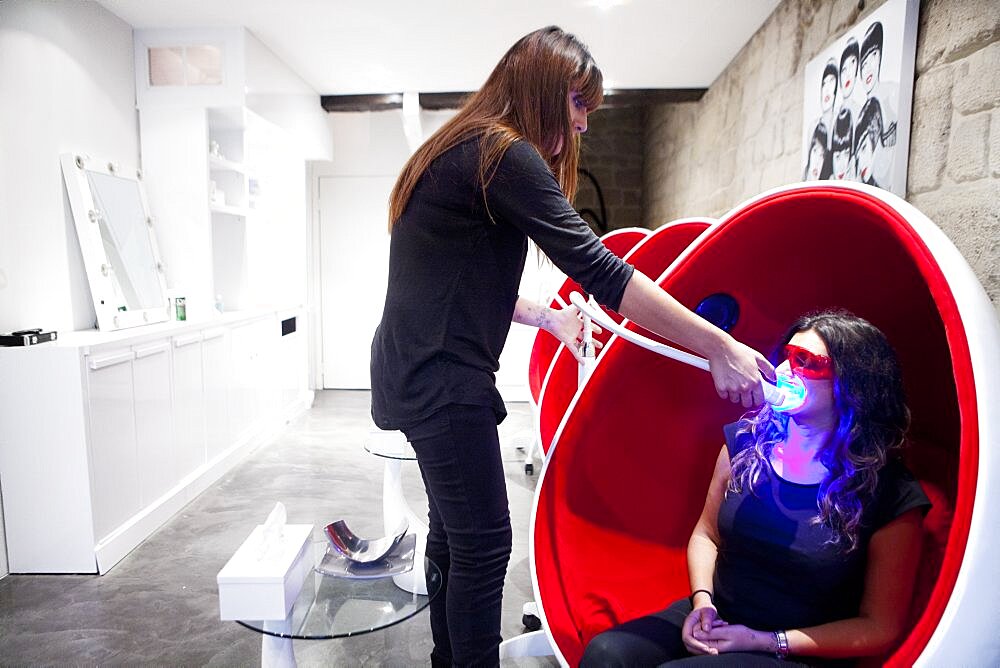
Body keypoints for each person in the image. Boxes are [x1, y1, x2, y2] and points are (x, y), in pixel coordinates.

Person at [369, 25, 774, 667]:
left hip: (409, 375)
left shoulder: (463, 148)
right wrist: (718, 345)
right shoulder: (503, 154)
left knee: (451, 532)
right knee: (482, 545)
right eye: (579, 103)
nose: (584, 124)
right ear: (544, 90)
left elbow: (454, 282)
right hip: (442, 384)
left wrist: (546, 321)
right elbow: (604, 271)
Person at [581, 310, 931, 667]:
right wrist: (703, 604)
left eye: (806, 362)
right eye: (787, 356)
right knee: (607, 655)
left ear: (855, 382)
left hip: (795, 649)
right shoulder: (745, 444)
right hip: (723, 617)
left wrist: (766, 642)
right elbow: (706, 535)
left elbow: (879, 627)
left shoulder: (888, 491)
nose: (783, 372)